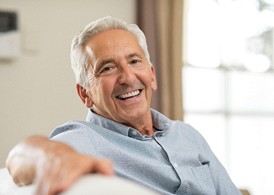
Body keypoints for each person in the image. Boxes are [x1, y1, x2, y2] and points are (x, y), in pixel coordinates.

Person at [6, 16, 241, 195]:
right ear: (85, 94)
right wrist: (52, 156)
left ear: (152, 76)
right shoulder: (85, 140)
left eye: (134, 61)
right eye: (107, 68)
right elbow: (18, 159)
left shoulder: (188, 135)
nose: (128, 77)